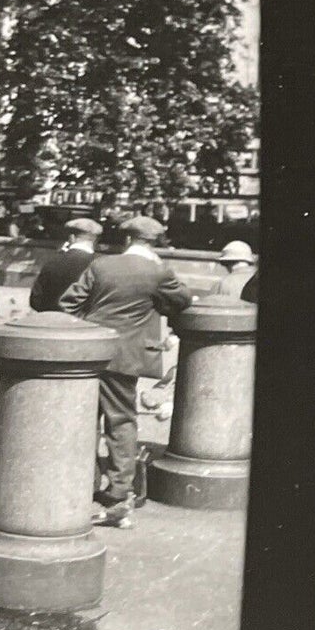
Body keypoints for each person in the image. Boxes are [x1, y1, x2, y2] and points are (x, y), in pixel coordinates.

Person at [58, 215, 193, 528]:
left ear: (128, 239)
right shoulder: (158, 271)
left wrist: (90, 327)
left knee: (84, 418)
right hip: (126, 358)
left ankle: (82, 482)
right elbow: (182, 300)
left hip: (90, 353)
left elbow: (69, 303)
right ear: (154, 242)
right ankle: (119, 491)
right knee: (121, 422)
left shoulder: (102, 265)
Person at [29, 217, 102, 312]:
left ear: (71, 238)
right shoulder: (101, 264)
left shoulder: (53, 261)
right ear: (95, 240)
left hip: (52, 321)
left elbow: (35, 300)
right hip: (84, 324)